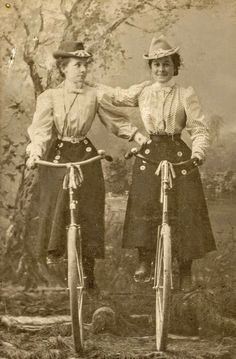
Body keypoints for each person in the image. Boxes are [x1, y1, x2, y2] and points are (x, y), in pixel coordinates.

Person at [26, 41, 150, 292]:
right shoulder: (49, 97)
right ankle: (55, 248)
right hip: (59, 152)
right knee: (55, 196)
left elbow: (115, 118)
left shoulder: (94, 94)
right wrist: (34, 152)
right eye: (77, 65)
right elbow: (40, 130)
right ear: (63, 68)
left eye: (85, 65)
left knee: (90, 209)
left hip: (84, 151)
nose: (83, 70)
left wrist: (139, 138)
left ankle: (88, 271)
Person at [121, 35, 216, 290]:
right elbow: (110, 99)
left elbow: (199, 129)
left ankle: (185, 270)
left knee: (185, 208)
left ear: (175, 67)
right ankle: (144, 260)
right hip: (150, 151)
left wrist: (197, 153)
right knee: (144, 202)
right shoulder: (141, 92)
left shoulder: (185, 94)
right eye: (156, 65)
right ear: (150, 69)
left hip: (177, 153)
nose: (161, 69)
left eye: (166, 64)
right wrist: (131, 133)